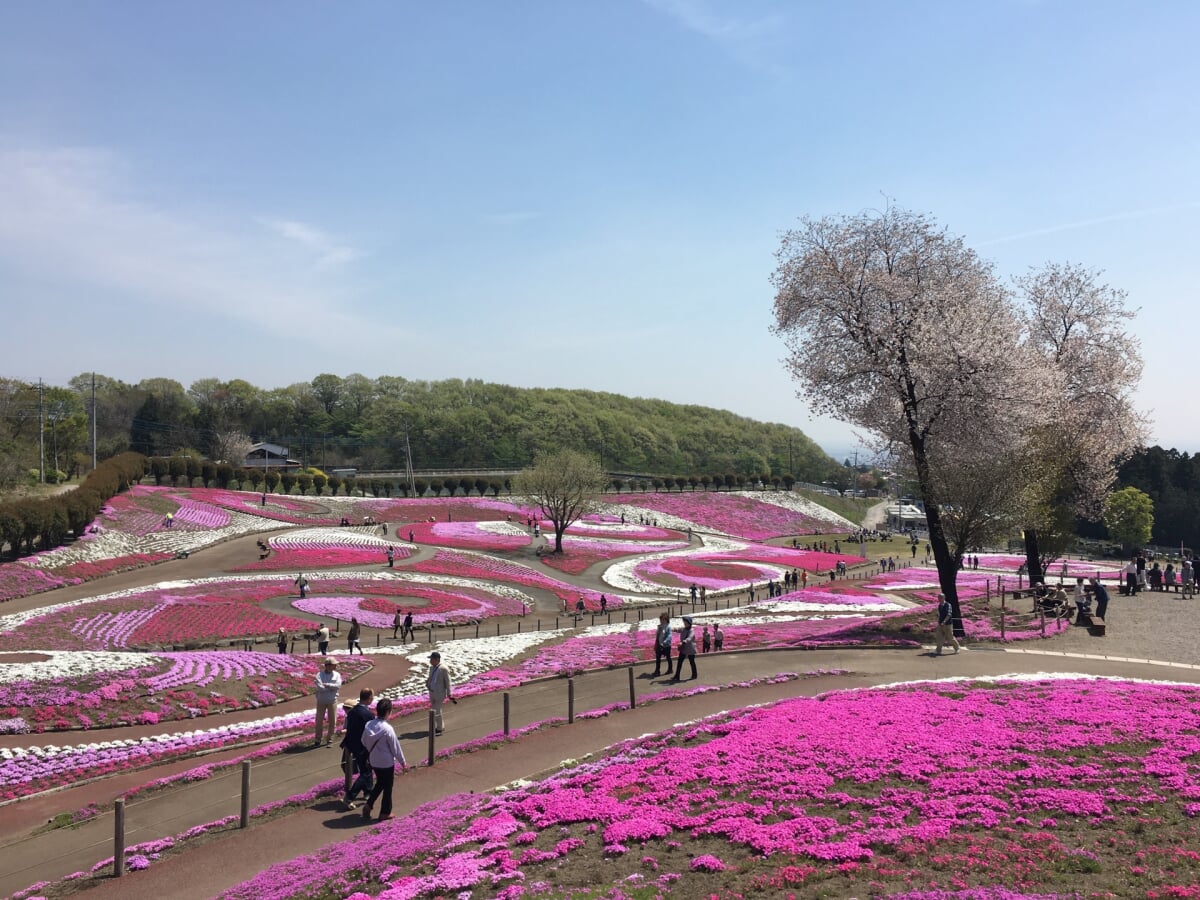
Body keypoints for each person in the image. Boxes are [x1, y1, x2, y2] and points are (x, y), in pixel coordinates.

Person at [362, 698, 407, 822]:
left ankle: (369, 804)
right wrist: (402, 762)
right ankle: (385, 812)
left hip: (374, 760)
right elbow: (395, 748)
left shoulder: (368, 725)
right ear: (388, 712)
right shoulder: (387, 729)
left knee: (380, 783)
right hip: (386, 762)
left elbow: (363, 741)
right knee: (388, 787)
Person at [340, 688, 375, 810]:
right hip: (362, 746)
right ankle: (349, 796)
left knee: (367, 769)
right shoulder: (368, 714)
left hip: (351, 744)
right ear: (369, 698)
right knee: (365, 772)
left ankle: (368, 792)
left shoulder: (353, 711)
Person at [314, 658, 342, 747]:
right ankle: (318, 739)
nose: (336, 666)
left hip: (332, 701)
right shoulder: (319, 675)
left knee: (332, 720)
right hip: (321, 700)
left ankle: (330, 738)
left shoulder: (337, 675)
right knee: (319, 721)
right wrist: (331, 688)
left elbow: (338, 686)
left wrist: (327, 685)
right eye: (334, 664)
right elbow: (320, 688)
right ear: (328, 666)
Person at [427, 651, 453, 735]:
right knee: (436, 710)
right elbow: (430, 677)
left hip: (440, 693)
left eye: (432, 659)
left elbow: (447, 681)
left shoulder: (443, 669)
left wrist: (449, 693)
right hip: (432, 692)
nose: (430, 661)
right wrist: (428, 683)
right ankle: (441, 726)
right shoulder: (431, 668)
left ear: (437, 659)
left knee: (436, 710)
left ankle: (439, 729)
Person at [672, 615, 698, 681]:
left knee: (692, 662)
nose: (684, 624)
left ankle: (694, 675)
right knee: (679, 662)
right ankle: (677, 676)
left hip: (690, 649)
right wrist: (674, 629)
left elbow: (689, 638)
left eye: (685, 623)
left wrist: (683, 642)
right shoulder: (684, 629)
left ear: (689, 623)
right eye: (684, 622)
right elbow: (679, 630)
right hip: (683, 649)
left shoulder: (691, 631)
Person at [651, 612, 672, 676]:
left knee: (668, 657)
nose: (661, 621)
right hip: (659, 645)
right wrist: (656, 643)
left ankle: (670, 669)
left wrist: (665, 641)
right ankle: (657, 670)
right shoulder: (660, 627)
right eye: (660, 620)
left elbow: (669, 636)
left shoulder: (668, 627)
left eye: (662, 620)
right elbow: (658, 635)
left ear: (666, 620)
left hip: (666, 645)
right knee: (658, 658)